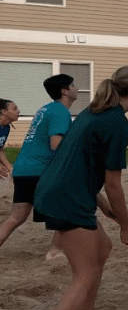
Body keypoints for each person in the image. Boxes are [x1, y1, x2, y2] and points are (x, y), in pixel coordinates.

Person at [31, 66, 128, 310]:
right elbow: (113, 183)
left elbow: (78, 165)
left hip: (64, 191)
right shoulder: (117, 123)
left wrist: (106, 210)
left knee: (102, 248)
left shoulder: (95, 112)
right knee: (83, 275)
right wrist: (127, 226)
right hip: (66, 198)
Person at [0, 75, 84, 258]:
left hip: (23, 169)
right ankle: (55, 251)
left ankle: (56, 250)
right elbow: (56, 145)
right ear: (65, 91)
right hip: (40, 171)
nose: (76, 88)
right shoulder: (60, 111)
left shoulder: (45, 109)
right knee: (66, 209)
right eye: (73, 85)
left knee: (16, 218)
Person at [0, 98, 21, 179]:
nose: (18, 111)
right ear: (4, 111)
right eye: (14, 109)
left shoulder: (6, 127)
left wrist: (10, 168)